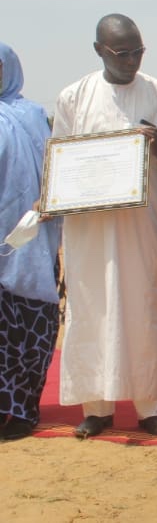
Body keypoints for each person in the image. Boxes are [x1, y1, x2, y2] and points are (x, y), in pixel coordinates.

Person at [53, 14, 157, 439]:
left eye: (138, 52)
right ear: (99, 51)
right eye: (121, 53)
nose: (131, 61)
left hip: (141, 222)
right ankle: (96, 408)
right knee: (91, 308)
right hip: (89, 227)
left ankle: (150, 407)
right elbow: (60, 159)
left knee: (143, 305)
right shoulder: (74, 97)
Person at [0, 42, 62, 441]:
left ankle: (24, 408)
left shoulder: (35, 115)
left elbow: (58, 166)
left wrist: (56, 196)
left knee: (35, 324)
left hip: (34, 241)